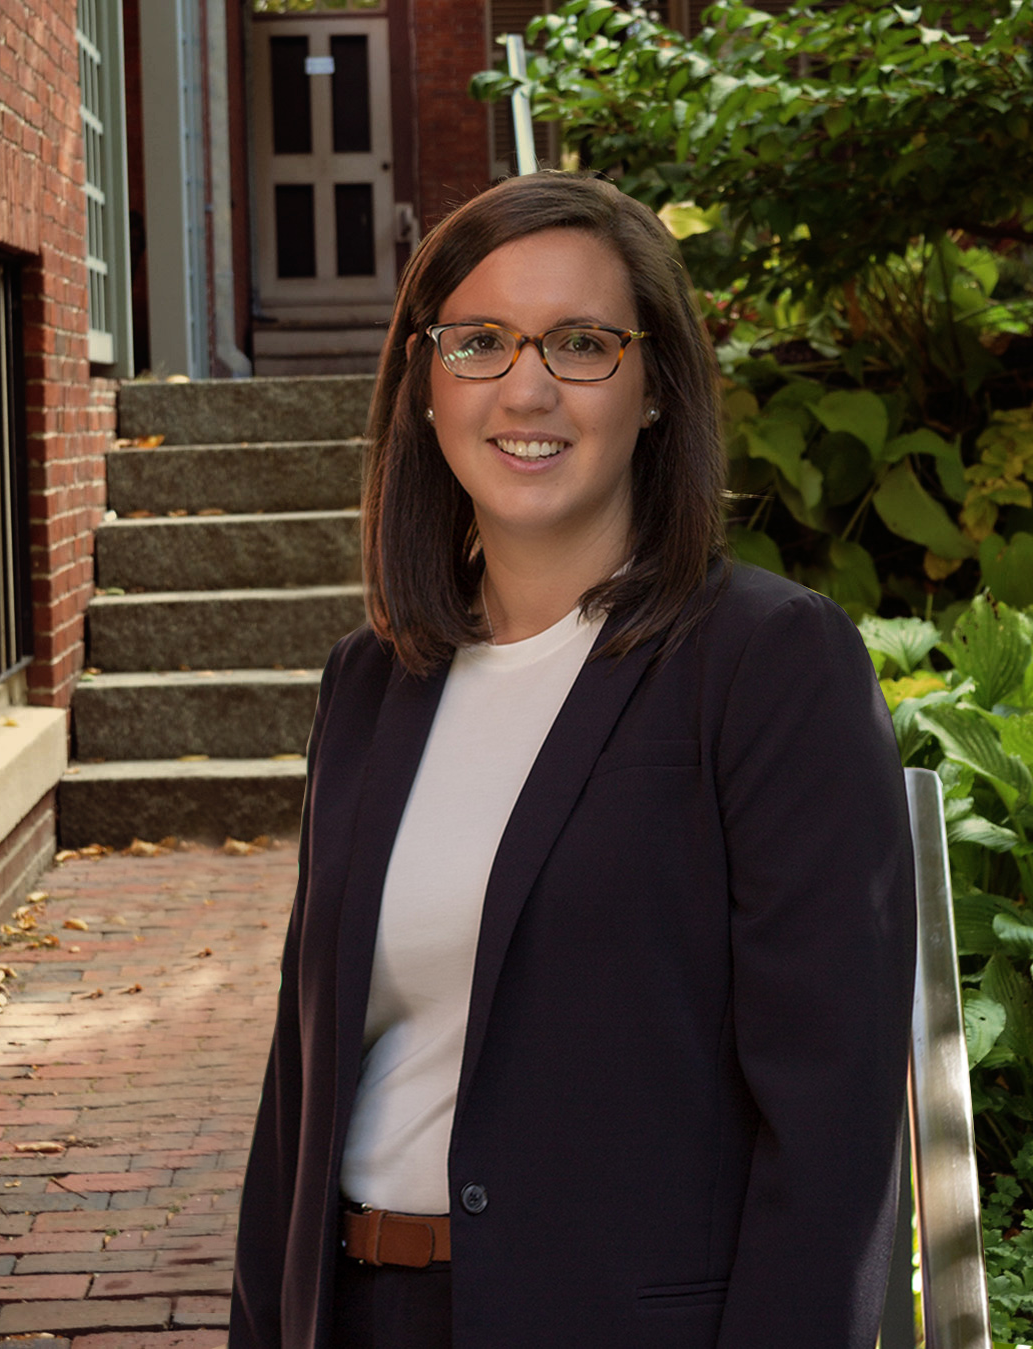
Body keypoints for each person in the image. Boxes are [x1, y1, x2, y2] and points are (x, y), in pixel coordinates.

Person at [229, 171, 916, 1349]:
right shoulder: (371, 679)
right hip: (362, 1311)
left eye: (583, 343)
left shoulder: (767, 663)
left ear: (655, 390)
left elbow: (833, 1122)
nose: (527, 386)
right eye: (479, 341)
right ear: (424, 385)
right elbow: (300, 1084)